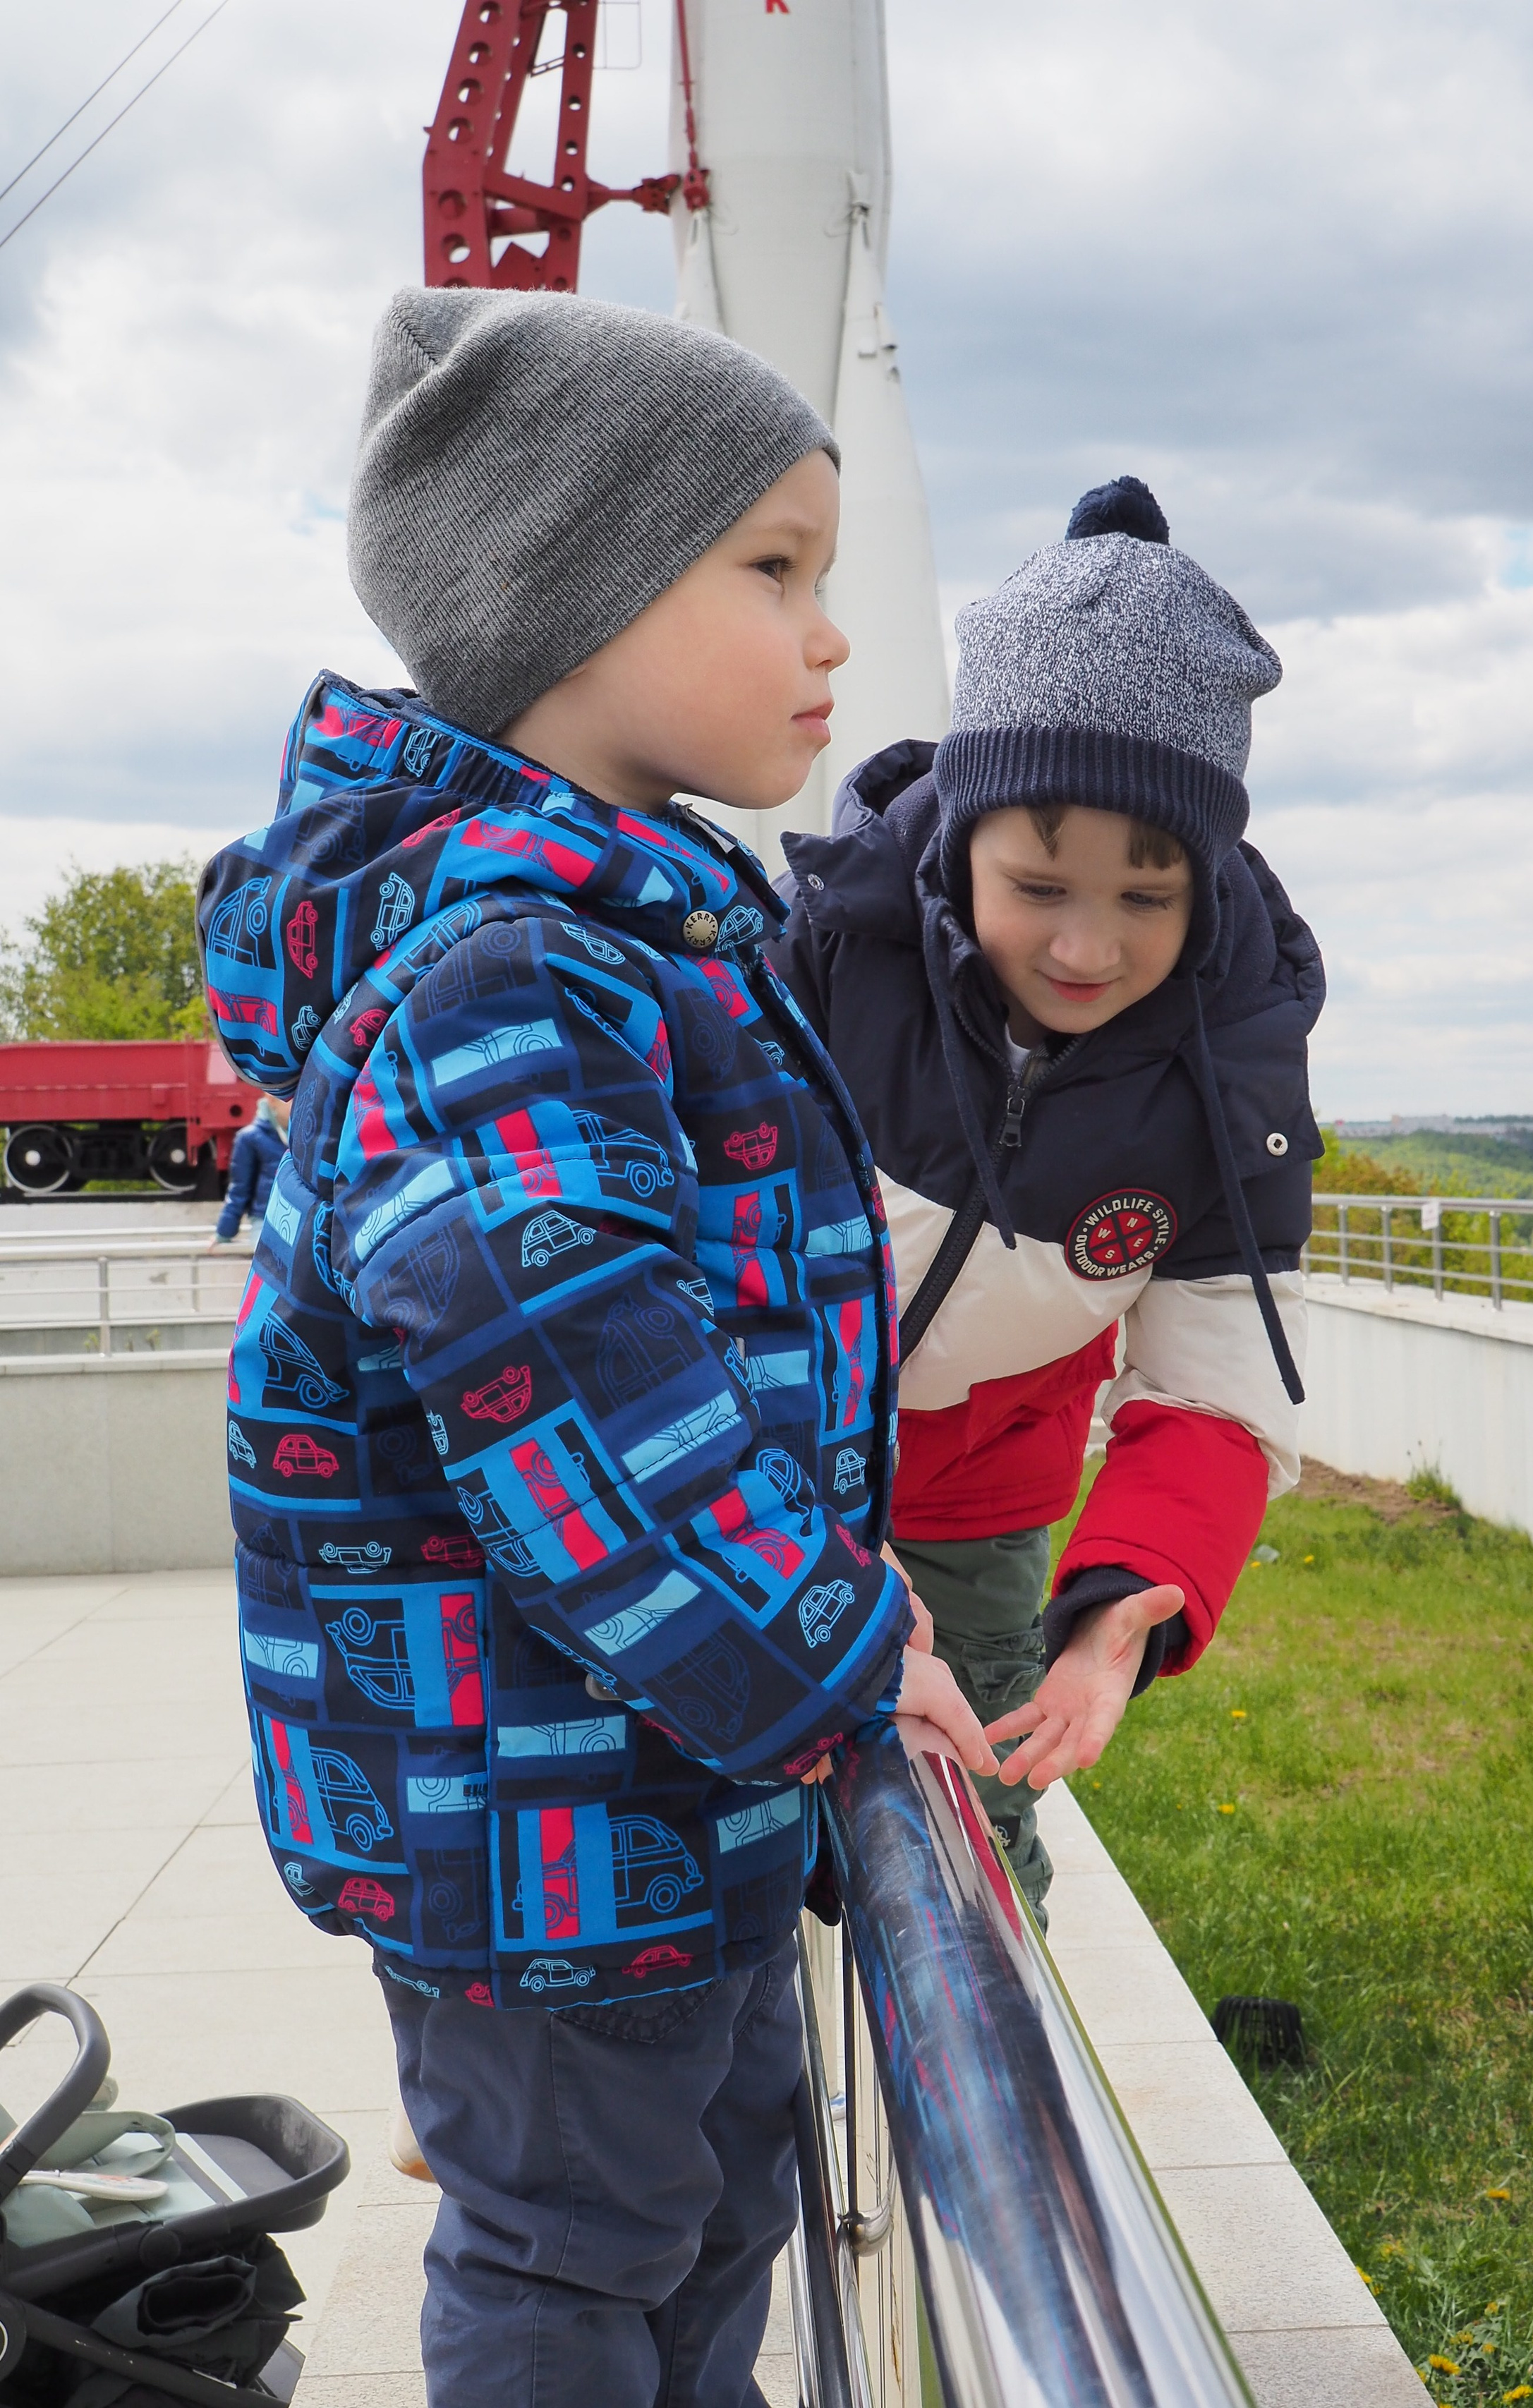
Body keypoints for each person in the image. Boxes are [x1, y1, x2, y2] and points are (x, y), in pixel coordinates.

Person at [198, 288, 992, 2408]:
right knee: (575, 2248)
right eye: (771, 568)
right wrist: (848, 1651)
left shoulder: (625, 928)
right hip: (529, 1823)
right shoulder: (506, 975)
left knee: (715, 2203)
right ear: (573, 590)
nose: (829, 634)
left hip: (646, 1781)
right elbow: (600, 1424)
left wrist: (824, 1643)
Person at [770, 476, 1323, 1921]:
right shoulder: (829, 950)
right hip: (752, 1479)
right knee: (722, 1822)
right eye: (1038, 883)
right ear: (956, 839)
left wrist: (1120, 1609)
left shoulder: (1232, 1068)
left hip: (976, 1514)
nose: (1086, 945)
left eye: (1149, 897)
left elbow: (1212, 1386)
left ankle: (990, 2123)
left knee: (965, 1850)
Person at [209, 1093, 288, 1246]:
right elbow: (239, 1190)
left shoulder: (306, 1135)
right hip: (266, 1221)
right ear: (271, 1100)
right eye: (290, 1100)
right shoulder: (250, 1138)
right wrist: (224, 1232)